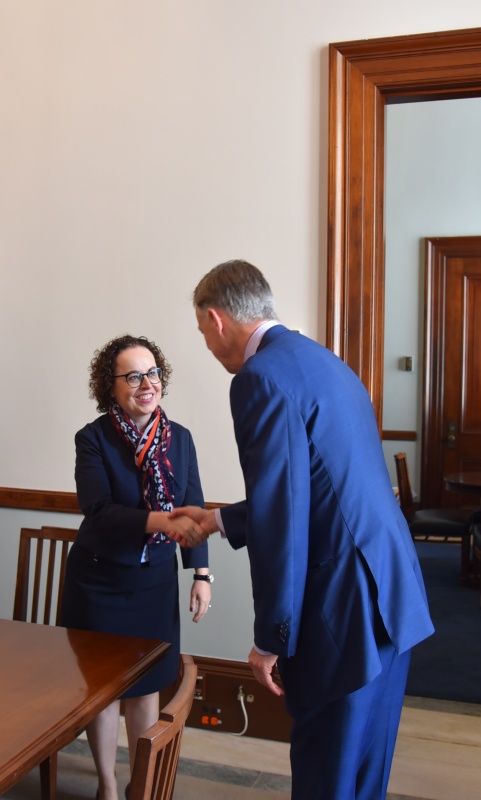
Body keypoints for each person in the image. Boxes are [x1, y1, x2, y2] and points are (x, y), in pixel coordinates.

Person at [169, 260, 434, 800]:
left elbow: (282, 518)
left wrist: (271, 638)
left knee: (326, 775)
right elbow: (316, 489)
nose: (207, 345)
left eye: (202, 332)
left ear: (217, 320)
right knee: (365, 772)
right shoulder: (325, 361)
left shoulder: (257, 379)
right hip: (389, 592)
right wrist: (218, 520)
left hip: (341, 609)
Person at [61, 334, 212, 800]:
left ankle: (139, 785)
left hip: (154, 582)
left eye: (152, 373)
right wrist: (162, 521)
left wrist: (200, 574)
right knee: (103, 690)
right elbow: (99, 511)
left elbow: (194, 507)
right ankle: (107, 785)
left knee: (149, 684)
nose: (146, 384)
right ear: (110, 386)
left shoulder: (180, 438)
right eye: (132, 376)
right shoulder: (93, 438)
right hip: (99, 581)